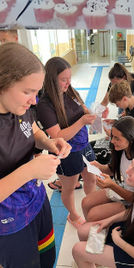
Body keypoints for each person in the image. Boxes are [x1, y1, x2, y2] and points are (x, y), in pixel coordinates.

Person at [0, 43, 71, 268]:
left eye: (36, 92)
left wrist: (49, 142)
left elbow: (33, 130)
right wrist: (28, 171)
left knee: (46, 262)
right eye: (28, 92)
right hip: (6, 219)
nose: (34, 101)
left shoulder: (18, 105)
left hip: (35, 200)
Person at [34, 57, 98, 229]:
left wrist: (92, 113)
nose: (68, 82)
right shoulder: (45, 105)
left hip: (83, 144)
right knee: (69, 187)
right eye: (64, 79)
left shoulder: (70, 91)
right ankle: (73, 215)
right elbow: (57, 135)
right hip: (66, 151)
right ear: (51, 80)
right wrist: (82, 122)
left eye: (69, 77)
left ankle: (91, 206)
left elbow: (83, 109)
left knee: (91, 179)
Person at [81, 117, 134, 227]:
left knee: (93, 215)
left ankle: (93, 230)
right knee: (85, 202)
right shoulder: (122, 150)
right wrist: (99, 166)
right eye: (112, 137)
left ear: (131, 139)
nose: (112, 141)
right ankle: (89, 230)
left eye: (117, 138)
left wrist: (112, 185)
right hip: (124, 189)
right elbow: (112, 169)